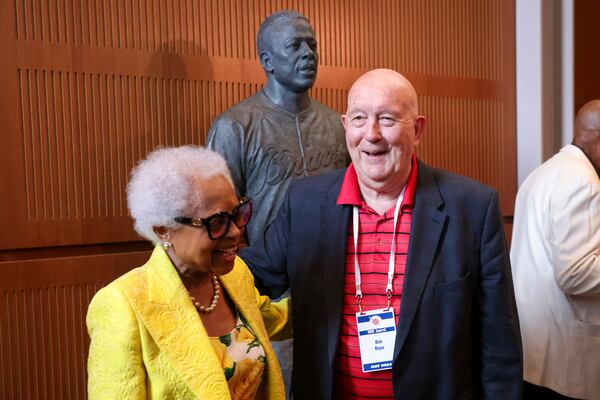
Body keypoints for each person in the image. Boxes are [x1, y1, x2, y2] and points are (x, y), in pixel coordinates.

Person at [241, 68, 523, 399]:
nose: (371, 134)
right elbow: (252, 276)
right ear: (345, 127)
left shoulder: (472, 209)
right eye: (359, 119)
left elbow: (499, 343)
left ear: (417, 129)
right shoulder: (305, 203)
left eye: (387, 119)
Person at [86, 146, 291, 399]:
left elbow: (268, 319)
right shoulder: (122, 304)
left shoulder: (234, 273)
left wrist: (343, 291)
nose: (236, 231)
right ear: (163, 230)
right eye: (216, 222)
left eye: (237, 213)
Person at [207, 10, 349, 248]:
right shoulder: (234, 128)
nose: (308, 54)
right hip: (266, 279)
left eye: (312, 45)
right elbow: (217, 215)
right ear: (267, 61)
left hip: (334, 271)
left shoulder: (338, 125)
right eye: (294, 46)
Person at [510, 100, 600, 400]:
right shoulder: (582, 181)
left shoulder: (544, 172)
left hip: (533, 349)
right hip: (565, 359)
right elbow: (575, 274)